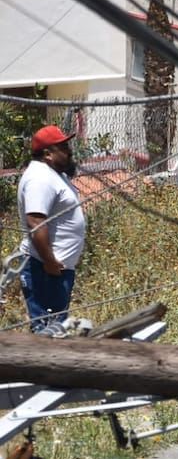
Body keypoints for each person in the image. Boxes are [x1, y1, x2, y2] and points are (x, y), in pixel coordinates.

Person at [17, 125, 85, 334]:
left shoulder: (54, 174)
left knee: (56, 329)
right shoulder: (40, 179)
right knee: (47, 332)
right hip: (45, 269)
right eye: (63, 147)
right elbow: (36, 222)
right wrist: (50, 262)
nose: (69, 151)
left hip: (55, 268)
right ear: (47, 154)